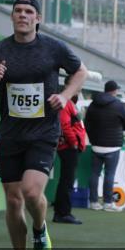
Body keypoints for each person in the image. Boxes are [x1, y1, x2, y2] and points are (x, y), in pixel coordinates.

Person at [0, 0, 87, 250]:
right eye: (18, 11)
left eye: (29, 12)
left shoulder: (53, 48)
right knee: (13, 201)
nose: (23, 15)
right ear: (12, 17)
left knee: (30, 192)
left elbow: (80, 72)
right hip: (10, 135)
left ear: (37, 19)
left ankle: (40, 228)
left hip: (43, 133)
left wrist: (64, 96)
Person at [83, 80, 125, 212]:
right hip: (113, 145)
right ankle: (107, 203)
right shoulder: (118, 104)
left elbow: (86, 122)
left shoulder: (93, 104)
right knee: (109, 174)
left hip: (96, 145)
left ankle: (93, 202)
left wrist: (93, 138)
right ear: (115, 91)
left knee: (94, 173)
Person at [53, 94, 85, 225]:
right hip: (68, 147)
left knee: (66, 180)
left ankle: (61, 212)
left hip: (69, 146)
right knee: (67, 181)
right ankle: (63, 213)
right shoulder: (66, 103)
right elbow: (65, 126)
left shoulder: (70, 103)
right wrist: (74, 143)